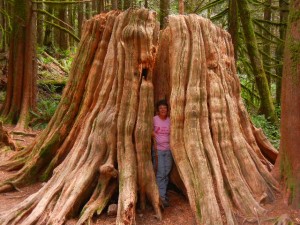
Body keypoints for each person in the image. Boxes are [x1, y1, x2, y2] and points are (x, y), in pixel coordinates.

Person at [152, 99, 172, 207]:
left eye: (164, 108)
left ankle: (162, 193)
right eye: (161, 108)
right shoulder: (154, 119)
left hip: (168, 150)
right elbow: (147, 129)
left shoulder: (170, 120)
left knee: (166, 172)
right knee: (160, 174)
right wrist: (151, 133)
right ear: (158, 110)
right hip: (158, 150)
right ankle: (161, 198)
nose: (163, 109)